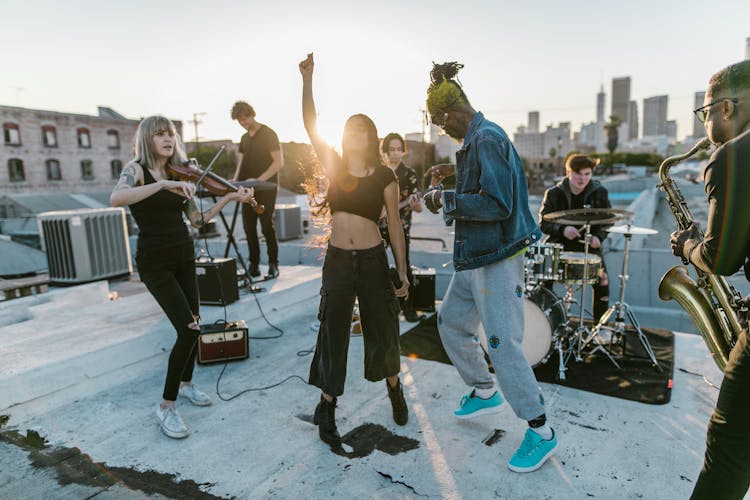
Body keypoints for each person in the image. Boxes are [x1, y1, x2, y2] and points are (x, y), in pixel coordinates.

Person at [422, 62, 557, 472]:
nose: (443, 133)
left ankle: (541, 431)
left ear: (450, 114)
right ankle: (484, 391)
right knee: (452, 324)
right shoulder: (481, 137)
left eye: (441, 126)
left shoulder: (486, 139)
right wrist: (454, 170)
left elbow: (497, 204)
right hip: (477, 257)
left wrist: (445, 200)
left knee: (502, 344)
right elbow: (484, 177)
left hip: (496, 258)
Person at [110, 116, 254, 439]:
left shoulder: (181, 172)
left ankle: (187, 385)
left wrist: (229, 198)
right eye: (160, 133)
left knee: (196, 322)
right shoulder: (136, 171)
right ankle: (166, 406)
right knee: (187, 330)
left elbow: (198, 220)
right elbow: (116, 198)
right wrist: (162, 185)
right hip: (155, 263)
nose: (167, 139)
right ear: (147, 138)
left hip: (184, 257)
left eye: (170, 134)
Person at [299, 53, 410, 448]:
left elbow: (394, 224)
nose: (354, 135)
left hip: (372, 260)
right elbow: (311, 124)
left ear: (371, 136)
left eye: (361, 130)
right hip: (338, 261)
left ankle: (394, 387)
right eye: (349, 130)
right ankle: (327, 404)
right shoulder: (335, 166)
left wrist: (403, 271)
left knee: (383, 329)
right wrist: (308, 80)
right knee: (333, 330)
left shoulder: (385, 174)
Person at [670, 59, 750, 500]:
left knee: (730, 447)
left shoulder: (735, 155)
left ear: (726, 107)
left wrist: (686, 245)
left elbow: (720, 258)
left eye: (704, 114)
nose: (705, 127)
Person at [538, 154, 611, 323]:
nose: (583, 178)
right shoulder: (553, 193)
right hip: (558, 244)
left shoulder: (600, 193)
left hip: (587, 245)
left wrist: (598, 237)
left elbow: (607, 221)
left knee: (603, 280)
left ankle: (600, 327)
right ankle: (544, 324)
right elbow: (543, 223)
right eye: (578, 174)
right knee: (543, 282)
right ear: (568, 172)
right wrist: (562, 230)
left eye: (587, 174)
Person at [230, 101, 284, 279]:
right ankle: (253, 265)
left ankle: (273, 264)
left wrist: (258, 180)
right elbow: (242, 162)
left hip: (266, 188)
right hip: (246, 189)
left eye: (245, 118)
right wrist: (236, 180)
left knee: (267, 226)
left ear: (252, 114)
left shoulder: (269, 134)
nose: (243, 122)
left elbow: (279, 163)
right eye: (240, 120)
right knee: (248, 227)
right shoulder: (245, 138)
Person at [379, 132, 423, 322]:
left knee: (404, 268)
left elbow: (419, 208)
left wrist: (413, 203)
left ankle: (409, 309)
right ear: (385, 151)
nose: (395, 153)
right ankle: (388, 308)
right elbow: (380, 210)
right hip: (377, 228)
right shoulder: (378, 173)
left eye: (399, 149)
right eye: (392, 149)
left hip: (401, 228)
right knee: (375, 267)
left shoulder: (409, 174)